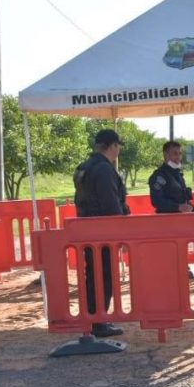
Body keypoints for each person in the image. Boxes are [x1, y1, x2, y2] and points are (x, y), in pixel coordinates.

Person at [72, 128, 129, 337]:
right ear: (112, 146)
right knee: (105, 275)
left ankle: (93, 318)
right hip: (104, 232)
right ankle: (99, 321)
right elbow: (111, 204)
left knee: (93, 275)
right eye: (118, 146)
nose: (119, 151)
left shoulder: (84, 166)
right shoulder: (104, 169)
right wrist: (121, 230)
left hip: (88, 229)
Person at [149, 140, 194, 213]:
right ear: (165, 155)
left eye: (180, 154)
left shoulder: (177, 174)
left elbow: (183, 200)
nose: (178, 157)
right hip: (167, 220)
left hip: (182, 219)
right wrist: (178, 207)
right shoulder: (159, 176)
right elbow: (157, 201)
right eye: (175, 153)